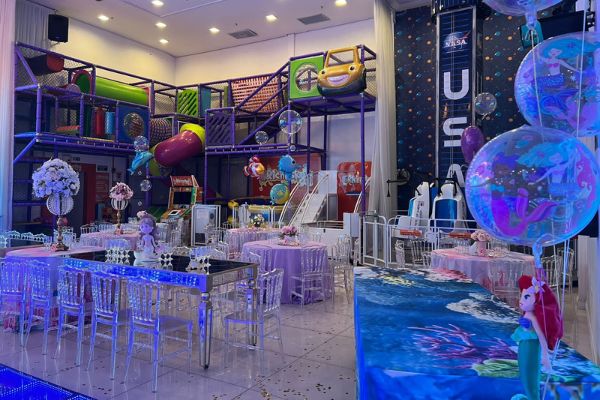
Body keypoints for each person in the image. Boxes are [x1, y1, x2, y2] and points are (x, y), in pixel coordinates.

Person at [511, 275, 563, 400]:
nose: (521, 300)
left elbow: (541, 336)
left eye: (526, 297)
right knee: (524, 373)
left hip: (531, 349)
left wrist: (545, 356)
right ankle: (531, 396)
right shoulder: (528, 315)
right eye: (522, 296)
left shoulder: (533, 318)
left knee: (530, 374)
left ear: (537, 301)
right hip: (524, 347)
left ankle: (533, 397)